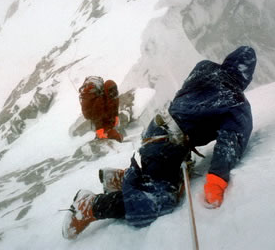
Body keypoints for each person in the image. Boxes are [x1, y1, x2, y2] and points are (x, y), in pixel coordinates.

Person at [62, 46, 257, 239]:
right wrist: (216, 181)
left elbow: (188, 103)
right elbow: (230, 143)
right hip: (168, 145)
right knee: (159, 201)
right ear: (246, 76)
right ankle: (90, 205)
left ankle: (124, 178)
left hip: (157, 129)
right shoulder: (236, 103)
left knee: (175, 176)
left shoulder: (204, 68)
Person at [78, 76, 123, 142]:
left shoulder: (115, 95)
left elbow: (116, 107)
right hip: (96, 115)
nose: (113, 92)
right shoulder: (100, 100)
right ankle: (106, 135)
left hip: (105, 113)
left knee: (111, 124)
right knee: (108, 129)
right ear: (106, 90)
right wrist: (99, 129)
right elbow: (97, 116)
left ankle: (108, 132)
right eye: (111, 91)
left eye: (114, 89)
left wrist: (116, 116)